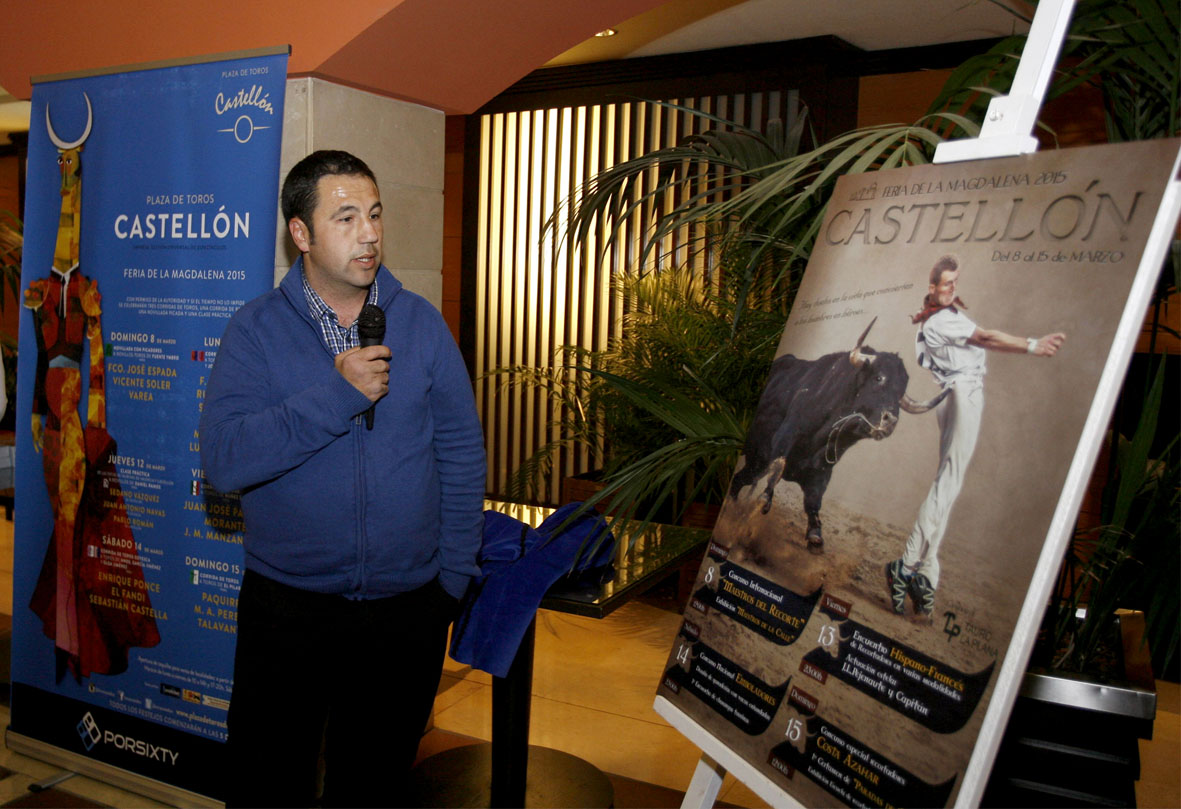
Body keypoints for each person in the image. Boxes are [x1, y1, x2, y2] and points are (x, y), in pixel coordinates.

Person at [200, 150, 485, 807]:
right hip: (288, 608)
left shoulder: (420, 325)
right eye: (347, 216)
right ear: (300, 233)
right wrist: (335, 396)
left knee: (374, 784)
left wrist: (451, 579)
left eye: (376, 214)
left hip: (405, 610)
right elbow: (224, 459)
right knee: (269, 781)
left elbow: (462, 452)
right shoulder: (255, 331)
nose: (369, 233)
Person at [886, 254, 1064, 618]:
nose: (952, 288)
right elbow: (985, 338)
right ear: (932, 288)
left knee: (949, 486)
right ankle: (905, 566)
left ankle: (927, 572)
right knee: (946, 486)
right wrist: (1032, 345)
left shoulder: (939, 319)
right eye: (946, 283)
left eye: (955, 282)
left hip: (955, 397)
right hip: (962, 395)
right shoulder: (939, 322)